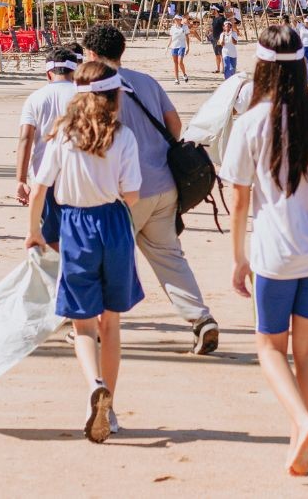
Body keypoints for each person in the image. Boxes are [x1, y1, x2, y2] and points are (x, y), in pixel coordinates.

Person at [221, 25, 308, 475]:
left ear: (259, 68)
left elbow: (240, 198)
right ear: (303, 67)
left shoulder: (249, 124)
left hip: (273, 251)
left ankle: (301, 422)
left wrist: (238, 256)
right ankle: (306, 445)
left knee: (268, 345)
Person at [81, 24, 219, 354]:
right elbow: (174, 125)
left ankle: (86, 325)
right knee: (170, 258)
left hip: (125, 191)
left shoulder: (95, 86)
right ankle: (201, 319)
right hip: (165, 184)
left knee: (99, 256)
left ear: (95, 55)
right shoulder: (145, 80)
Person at [25, 61, 144, 442]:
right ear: (112, 99)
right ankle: (111, 408)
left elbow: (40, 188)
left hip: (75, 226)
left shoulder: (61, 135)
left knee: (83, 326)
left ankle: (94, 383)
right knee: (111, 324)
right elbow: (132, 193)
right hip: (113, 224)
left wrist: (33, 234)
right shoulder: (123, 137)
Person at [14, 48, 80, 250]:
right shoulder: (83, 95)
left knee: (51, 235)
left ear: (48, 73)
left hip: (44, 176)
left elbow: (25, 138)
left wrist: (20, 180)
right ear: (74, 72)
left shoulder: (36, 98)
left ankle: (59, 273)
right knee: (78, 232)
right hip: (80, 174)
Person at [168, 15, 190, 84]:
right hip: (174, 46)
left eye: (177, 19)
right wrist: (168, 46)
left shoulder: (185, 27)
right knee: (175, 63)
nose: (176, 21)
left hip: (182, 46)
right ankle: (177, 79)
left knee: (180, 62)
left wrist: (188, 47)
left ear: (180, 20)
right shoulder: (172, 27)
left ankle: (184, 74)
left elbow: (187, 37)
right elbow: (171, 38)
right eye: (175, 19)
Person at [208, 6, 226, 74]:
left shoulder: (222, 19)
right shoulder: (214, 18)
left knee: (221, 54)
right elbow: (214, 28)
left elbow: (224, 29)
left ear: (216, 10)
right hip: (214, 39)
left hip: (220, 39)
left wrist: (222, 39)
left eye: (212, 9)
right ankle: (218, 69)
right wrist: (210, 33)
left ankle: (223, 69)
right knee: (216, 54)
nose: (211, 11)